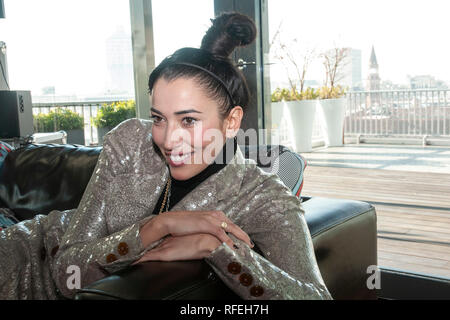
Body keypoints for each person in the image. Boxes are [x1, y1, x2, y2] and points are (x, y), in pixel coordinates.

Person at [0, 12, 332, 300]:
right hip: (21, 254)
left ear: (231, 122)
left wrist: (221, 251)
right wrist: (159, 226)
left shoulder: (263, 196)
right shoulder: (130, 139)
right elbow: (65, 269)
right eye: (159, 118)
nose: (169, 140)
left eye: (189, 120)